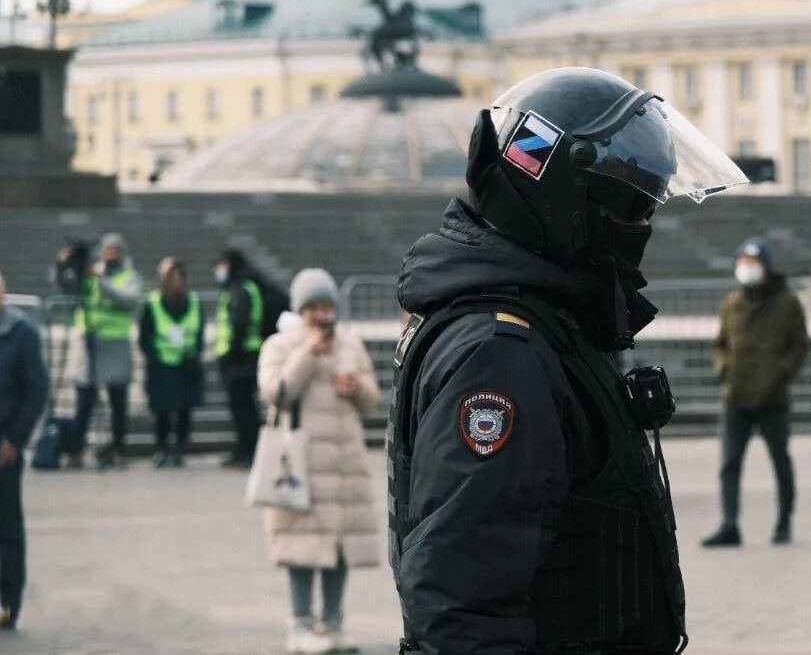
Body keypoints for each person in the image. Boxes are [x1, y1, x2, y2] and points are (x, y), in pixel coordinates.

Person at [389, 67, 747, 653]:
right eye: (633, 207)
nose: (644, 227)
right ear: (561, 201)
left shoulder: (547, 326)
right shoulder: (499, 354)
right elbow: (463, 608)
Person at [258, 268, 380, 655]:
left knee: (338, 547)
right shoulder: (280, 345)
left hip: (343, 462)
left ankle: (333, 622)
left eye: (327, 305)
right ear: (301, 310)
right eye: (313, 307)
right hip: (300, 465)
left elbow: (372, 400)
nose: (322, 314)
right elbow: (277, 393)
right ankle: (300, 624)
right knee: (302, 548)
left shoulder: (351, 344)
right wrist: (309, 352)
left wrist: (356, 387)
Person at [702, 238, 809, 548]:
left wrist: (782, 374)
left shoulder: (787, 303)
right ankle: (730, 524)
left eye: (753, 263)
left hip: (772, 398)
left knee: (780, 460)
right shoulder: (732, 303)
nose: (746, 269)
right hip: (736, 396)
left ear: (765, 266)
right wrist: (724, 369)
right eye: (743, 263)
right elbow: (721, 343)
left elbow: (799, 345)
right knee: (730, 463)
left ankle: (784, 520)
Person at [63, 233, 142, 470]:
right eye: (106, 250)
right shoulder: (88, 274)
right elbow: (68, 288)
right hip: (90, 344)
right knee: (84, 401)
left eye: (115, 250)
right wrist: (65, 265)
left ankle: (118, 449)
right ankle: (76, 449)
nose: (110, 254)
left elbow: (129, 300)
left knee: (118, 403)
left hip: (115, 345)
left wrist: (101, 282)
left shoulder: (131, 277)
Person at [0, 272, 49, 631]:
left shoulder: (22, 335)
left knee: (6, 528)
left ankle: (7, 601)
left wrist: (14, 440)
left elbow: (35, 391)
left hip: (4, 448)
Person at [137, 258, 204, 468]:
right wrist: (153, 355)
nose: (176, 283)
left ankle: (180, 448)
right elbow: (145, 336)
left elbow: (199, 331)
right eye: (172, 278)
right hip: (161, 365)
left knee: (184, 410)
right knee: (162, 411)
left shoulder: (193, 302)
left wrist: (194, 353)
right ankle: (162, 448)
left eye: (179, 278)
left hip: (186, 364)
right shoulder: (153, 303)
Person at [214, 249, 266, 469]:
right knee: (241, 407)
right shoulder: (240, 288)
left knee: (244, 408)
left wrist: (231, 352)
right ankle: (243, 448)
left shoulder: (241, 289)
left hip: (241, 357)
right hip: (241, 356)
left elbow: (239, 323)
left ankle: (249, 450)